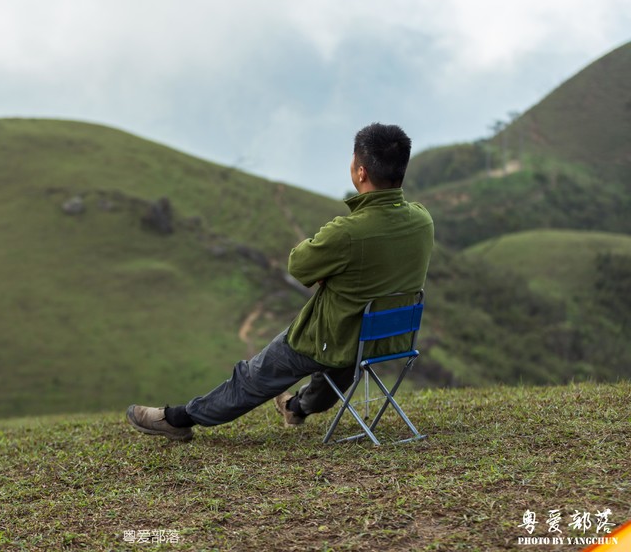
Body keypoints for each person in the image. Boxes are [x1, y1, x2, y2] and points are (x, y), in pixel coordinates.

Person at [126, 123, 434, 442]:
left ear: (360, 173)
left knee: (253, 376)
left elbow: (299, 266)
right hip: (388, 338)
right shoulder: (422, 220)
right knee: (337, 366)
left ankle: (178, 418)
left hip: (334, 337)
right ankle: (297, 407)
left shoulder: (347, 232)